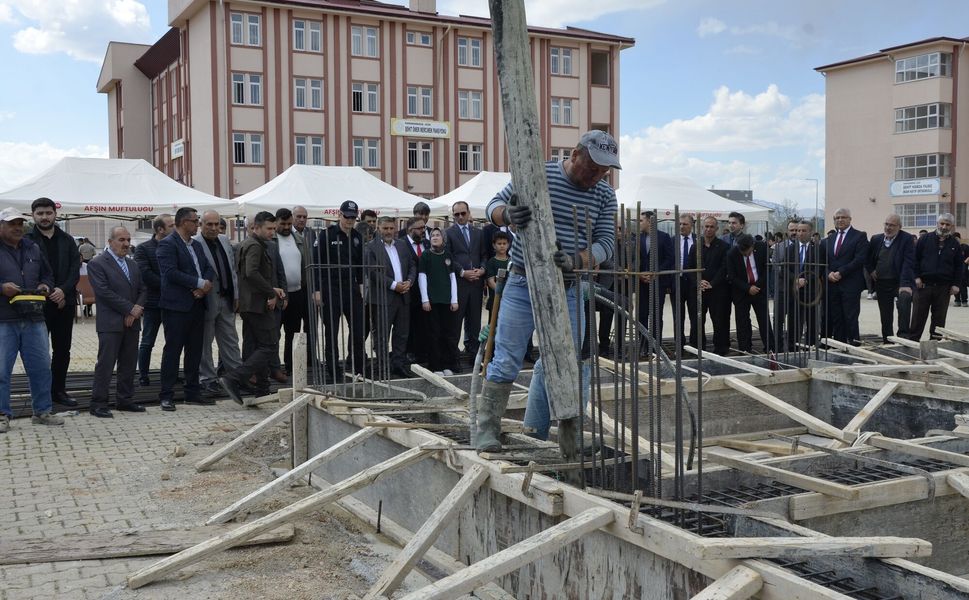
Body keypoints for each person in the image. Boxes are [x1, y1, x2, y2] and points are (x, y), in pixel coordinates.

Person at [478, 129, 619, 452]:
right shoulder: (537, 174)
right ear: (574, 155)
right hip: (522, 281)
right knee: (506, 359)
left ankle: (567, 438)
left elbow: (607, 244)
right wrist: (507, 215)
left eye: (604, 171)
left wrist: (577, 259)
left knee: (565, 361)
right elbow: (492, 206)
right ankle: (486, 431)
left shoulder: (604, 195)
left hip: (567, 287)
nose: (597, 175)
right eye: (592, 167)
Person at [0, 207, 63, 432]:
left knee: (41, 368)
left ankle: (42, 411)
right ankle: (2, 414)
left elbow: (47, 274)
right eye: (11, 223)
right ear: (1, 226)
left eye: (19, 223)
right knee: (1, 370)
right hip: (4, 320)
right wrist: (2, 288)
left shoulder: (33, 247)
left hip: (35, 317)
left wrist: (46, 285)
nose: (17, 227)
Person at [220, 212, 285, 402]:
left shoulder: (251, 244)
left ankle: (262, 388)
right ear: (256, 227)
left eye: (274, 228)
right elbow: (251, 273)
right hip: (256, 305)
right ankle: (234, 378)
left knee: (260, 346)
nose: (272, 232)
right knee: (269, 345)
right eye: (269, 229)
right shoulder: (255, 245)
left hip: (252, 304)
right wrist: (271, 291)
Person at [156, 207, 215, 411]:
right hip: (176, 307)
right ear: (182, 222)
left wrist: (204, 286)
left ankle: (192, 392)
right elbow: (170, 272)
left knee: (194, 351)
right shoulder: (167, 245)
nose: (197, 224)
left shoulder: (196, 245)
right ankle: (166, 395)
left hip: (197, 304)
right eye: (194, 221)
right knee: (173, 351)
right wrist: (198, 283)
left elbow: (208, 268)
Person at [87, 227, 148, 418]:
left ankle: (125, 400)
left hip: (132, 322)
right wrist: (130, 309)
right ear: (110, 241)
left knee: (129, 363)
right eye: (121, 239)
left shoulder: (133, 264)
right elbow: (104, 292)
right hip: (111, 322)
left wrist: (136, 309)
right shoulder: (97, 264)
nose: (126, 244)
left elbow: (143, 289)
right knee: (106, 363)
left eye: (128, 240)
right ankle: (98, 403)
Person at [26, 197, 81, 407]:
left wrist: (62, 290)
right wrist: (49, 292)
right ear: (33, 215)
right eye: (40, 213)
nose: (44, 217)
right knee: (39, 352)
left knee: (62, 350)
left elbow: (74, 269)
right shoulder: (27, 240)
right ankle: (41, 394)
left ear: (55, 214)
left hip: (64, 303)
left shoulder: (67, 239)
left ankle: (59, 390)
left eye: (48, 213)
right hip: (38, 304)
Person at [313, 200, 366, 381]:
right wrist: (317, 290)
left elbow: (360, 265)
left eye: (353, 217)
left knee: (358, 329)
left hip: (350, 286)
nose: (350, 220)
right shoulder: (326, 235)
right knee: (332, 332)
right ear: (339, 215)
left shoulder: (358, 237)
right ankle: (333, 372)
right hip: (330, 286)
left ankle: (359, 369)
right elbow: (316, 264)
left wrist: (361, 285)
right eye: (347, 216)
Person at [194, 210, 242, 395]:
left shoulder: (224, 240)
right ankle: (207, 378)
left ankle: (237, 376)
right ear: (201, 224)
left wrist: (236, 294)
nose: (214, 228)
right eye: (209, 224)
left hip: (227, 298)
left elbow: (231, 270)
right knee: (205, 342)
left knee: (231, 340)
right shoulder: (195, 243)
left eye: (216, 224)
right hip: (207, 301)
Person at [365, 216, 416, 378]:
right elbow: (372, 272)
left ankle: (398, 364)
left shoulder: (401, 245)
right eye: (385, 228)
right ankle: (382, 367)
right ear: (378, 228)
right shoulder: (370, 247)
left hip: (403, 297)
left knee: (402, 334)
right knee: (381, 335)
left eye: (391, 228)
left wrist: (409, 281)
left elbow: (413, 265)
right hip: (382, 299)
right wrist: (394, 285)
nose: (388, 231)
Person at [909, 213, 964, 341]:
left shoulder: (954, 244)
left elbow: (959, 267)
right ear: (937, 223)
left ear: (951, 226)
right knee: (917, 318)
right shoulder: (924, 239)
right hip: (923, 286)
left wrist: (956, 284)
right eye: (942, 223)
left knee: (939, 321)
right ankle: (912, 345)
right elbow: (914, 260)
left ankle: (934, 346)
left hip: (943, 289)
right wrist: (916, 277)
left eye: (947, 224)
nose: (944, 226)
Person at [446, 201, 487, 365]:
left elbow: (484, 254)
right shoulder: (447, 233)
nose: (460, 217)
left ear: (469, 213)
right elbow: (447, 257)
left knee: (474, 321)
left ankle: (473, 355)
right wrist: (462, 272)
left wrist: (483, 269)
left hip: (476, 284)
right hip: (459, 284)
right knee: (455, 323)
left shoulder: (478, 233)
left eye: (463, 213)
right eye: (457, 214)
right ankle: (453, 357)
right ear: (453, 215)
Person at [134, 214, 173, 386]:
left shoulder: (175, 247)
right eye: (171, 225)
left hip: (173, 303)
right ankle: (143, 374)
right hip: (152, 302)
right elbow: (145, 274)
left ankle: (169, 373)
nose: (175, 228)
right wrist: (171, 285)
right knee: (147, 341)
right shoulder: (143, 249)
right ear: (160, 229)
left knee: (172, 341)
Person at [866, 214, 915, 343]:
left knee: (904, 305)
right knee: (885, 313)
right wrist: (871, 270)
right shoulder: (876, 239)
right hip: (882, 282)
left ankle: (903, 337)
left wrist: (905, 284)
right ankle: (887, 339)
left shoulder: (907, 239)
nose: (888, 228)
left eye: (892, 225)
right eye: (886, 224)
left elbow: (908, 262)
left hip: (900, 282)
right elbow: (867, 258)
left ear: (899, 226)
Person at [686, 216, 731, 355]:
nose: (708, 229)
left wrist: (712, 284)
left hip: (717, 290)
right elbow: (689, 267)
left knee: (720, 320)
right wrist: (698, 281)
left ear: (717, 229)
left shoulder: (724, 247)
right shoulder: (695, 246)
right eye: (706, 226)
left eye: (712, 226)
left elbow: (724, 268)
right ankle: (697, 347)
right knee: (697, 320)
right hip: (698, 290)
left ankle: (721, 349)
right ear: (702, 228)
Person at [823, 208, 868, 344]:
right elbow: (823, 262)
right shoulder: (828, 240)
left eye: (843, 217)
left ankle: (854, 344)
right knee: (836, 317)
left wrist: (841, 272)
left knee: (851, 317)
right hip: (832, 284)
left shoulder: (859, 236)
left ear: (850, 219)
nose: (840, 220)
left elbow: (859, 259)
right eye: (837, 218)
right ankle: (839, 345)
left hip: (850, 284)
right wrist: (828, 273)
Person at [418, 227, 459, 376]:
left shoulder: (447, 255)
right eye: (433, 235)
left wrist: (454, 299)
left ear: (443, 238)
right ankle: (435, 366)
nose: (435, 237)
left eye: (438, 235)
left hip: (447, 301)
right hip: (432, 301)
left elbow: (453, 277)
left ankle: (447, 364)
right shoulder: (426, 255)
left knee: (447, 333)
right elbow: (422, 277)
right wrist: (425, 299)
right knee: (433, 333)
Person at [275, 208, 310, 376]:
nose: (287, 227)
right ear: (276, 223)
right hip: (278, 294)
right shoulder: (272, 240)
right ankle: (273, 368)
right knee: (274, 334)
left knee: (293, 332)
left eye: (289, 223)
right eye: (283, 224)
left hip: (297, 292)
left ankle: (290, 366)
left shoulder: (298, 239)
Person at [726, 233, 773, 354]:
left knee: (763, 319)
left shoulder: (762, 248)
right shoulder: (732, 253)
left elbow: (767, 268)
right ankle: (745, 348)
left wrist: (757, 286)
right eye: (743, 253)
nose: (746, 255)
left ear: (753, 246)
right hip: (741, 291)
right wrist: (747, 288)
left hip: (759, 289)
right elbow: (732, 276)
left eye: (748, 252)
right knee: (742, 321)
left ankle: (770, 347)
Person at [637, 210, 673, 355]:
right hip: (642, 283)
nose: (639, 223)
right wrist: (640, 274)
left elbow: (670, 259)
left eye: (641, 220)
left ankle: (655, 346)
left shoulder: (664, 237)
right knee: (642, 314)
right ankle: (643, 345)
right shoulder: (638, 238)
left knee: (656, 314)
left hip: (658, 282)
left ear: (650, 222)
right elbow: (637, 259)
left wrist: (654, 272)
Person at [402, 217, 430, 366]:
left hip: (425, 294)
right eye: (420, 228)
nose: (423, 231)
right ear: (410, 230)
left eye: (424, 228)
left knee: (423, 325)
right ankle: (407, 353)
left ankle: (422, 353)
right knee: (407, 326)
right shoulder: (401, 244)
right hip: (407, 292)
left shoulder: (427, 244)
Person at [790, 220, 823, 347]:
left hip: (811, 291)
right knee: (795, 319)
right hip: (795, 290)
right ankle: (794, 345)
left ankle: (811, 344)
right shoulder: (790, 249)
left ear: (810, 232)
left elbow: (818, 268)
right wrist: (796, 280)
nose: (800, 233)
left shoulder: (818, 249)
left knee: (812, 319)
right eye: (798, 230)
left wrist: (806, 280)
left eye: (804, 231)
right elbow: (785, 269)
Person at [674, 214, 698, 349]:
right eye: (680, 224)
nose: (682, 226)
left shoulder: (698, 240)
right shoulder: (672, 240)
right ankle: (679, 345)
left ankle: (694, 344)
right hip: (677, 282)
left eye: (685, 224)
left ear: (692, 225)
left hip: (693, 282)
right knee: (678, 316)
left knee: (695, 315)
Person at [485, 231, 511, 316]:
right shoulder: (491, 262)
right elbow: (491, 281)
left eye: (504, 243)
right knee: (493, 327)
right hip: (496, 300)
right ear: (494, 245)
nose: (502, 246)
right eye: (499, 243)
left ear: (508, 245)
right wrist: (503, 292)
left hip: (510, 300)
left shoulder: (512, 261)